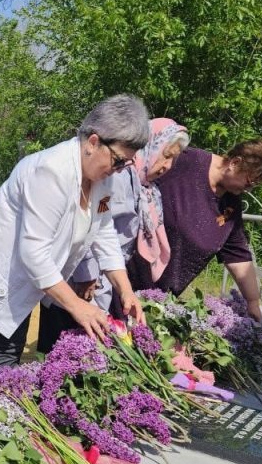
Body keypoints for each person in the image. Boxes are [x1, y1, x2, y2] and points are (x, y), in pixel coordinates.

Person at [0, 94, 149, 371]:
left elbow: (103, 232)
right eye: (117, 161)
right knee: (4, 357)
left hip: (32, 270)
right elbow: (34, 253)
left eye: (126, 164)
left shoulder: (101, 178)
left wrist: (125, 290)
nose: (119, 170)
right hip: (0, 267)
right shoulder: (51, 171)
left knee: (13, 355)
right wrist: (76, 305)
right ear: (93, 142)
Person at [42, 118, 191, 351]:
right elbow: (89, 222)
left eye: (173, 159)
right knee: (64, 342)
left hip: (105, 274)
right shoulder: (117, 175)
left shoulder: (142, 184)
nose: (167, 166)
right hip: (83, 278)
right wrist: (86, 270)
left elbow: (109, 231)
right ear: (149, 146)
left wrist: (124, 288)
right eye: (166, 156)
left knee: (87, 346)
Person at [129, 137, 262, 322]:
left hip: (157, 300)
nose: (248, 190)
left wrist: (252, 303)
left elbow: (238, 255)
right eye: (249, 182)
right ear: (235, 163)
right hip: (123, 278)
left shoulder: (230, 204)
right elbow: (135, 178)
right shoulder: (185, 161)